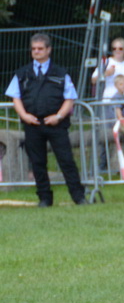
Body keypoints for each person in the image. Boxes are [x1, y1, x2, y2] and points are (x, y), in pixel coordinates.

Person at [7, 33, 87, 206]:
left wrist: (58, 116)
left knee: (66, 160)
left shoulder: (61, 73)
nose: (37, 52)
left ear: (48, 50)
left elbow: (69, 98)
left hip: (56, 125)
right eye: (34, 49)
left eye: (40, 49)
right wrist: (24, 116)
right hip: (32, 124)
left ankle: (79, 197)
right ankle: (44, 198)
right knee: (37, 163)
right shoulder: (22, 74)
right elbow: (15, 98)